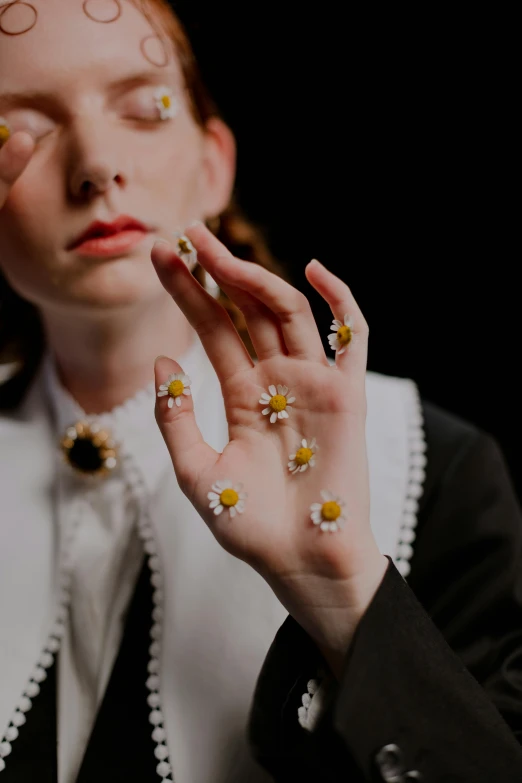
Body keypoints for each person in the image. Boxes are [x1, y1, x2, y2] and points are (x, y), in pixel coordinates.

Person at [0, 2, 521, 782]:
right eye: (15, 131)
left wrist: (342, 592)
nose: (96, 164)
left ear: (214, 163)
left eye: (147, 106)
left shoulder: (434, 463)